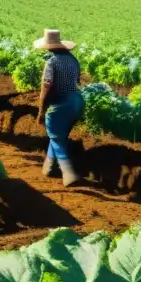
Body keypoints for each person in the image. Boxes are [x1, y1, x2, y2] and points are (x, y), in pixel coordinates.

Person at [34, 29, 84, 187]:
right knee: (58, 136)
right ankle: (48, 167)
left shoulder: (52, 62)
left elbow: (46, 88)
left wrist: (41, 111)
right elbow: (77, 81)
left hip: (61, 104)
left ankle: (68, 173)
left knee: (56, 137)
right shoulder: (73, 60)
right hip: (77, 102)